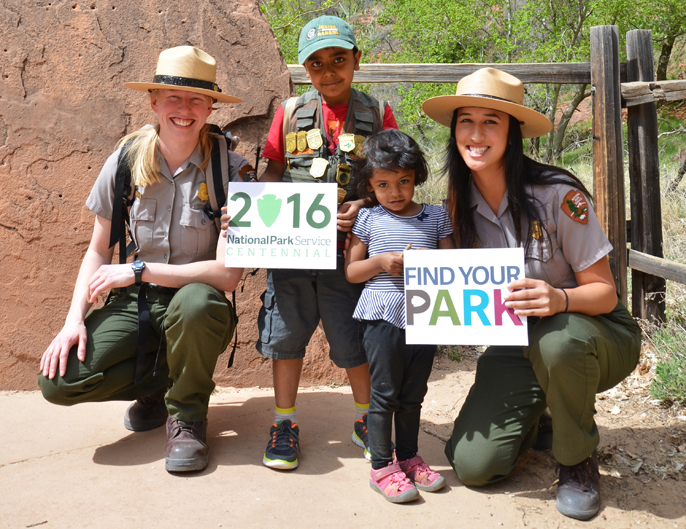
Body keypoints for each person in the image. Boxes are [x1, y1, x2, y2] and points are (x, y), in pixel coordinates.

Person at [421, 68, 641, 520]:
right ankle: (540, 410)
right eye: (466, 121)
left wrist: (559, 299)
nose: (476, 134)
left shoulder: (557, 196)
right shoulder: (458, 202)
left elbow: (604, 294)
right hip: (518, 339)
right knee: (473, 465)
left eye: (491, 122)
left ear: (513, 133)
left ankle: (577, 461)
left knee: (557, 341)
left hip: (593, 332)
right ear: (454, 130)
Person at [38, 46, 251, 473]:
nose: (184, 109)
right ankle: (160, 387)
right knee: (58, 382)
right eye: (173, 97)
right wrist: (72, 321)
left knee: (195, 303)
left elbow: (228, 276)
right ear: (154, 102)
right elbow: (98, 249)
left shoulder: (232, 173)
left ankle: (187, 418)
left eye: (196, 99)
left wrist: (137, 269)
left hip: (196, 308)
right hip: (135, 304)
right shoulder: (124, 163)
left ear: (211, 106)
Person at [238, 15, 399, 471]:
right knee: (285, 336)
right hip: (292, 251)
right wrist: (251, 210)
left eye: (338, 60)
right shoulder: (289, 112)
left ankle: (366, 419)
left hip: (348, 255)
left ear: (356, 61)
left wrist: (365, 202)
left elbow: (391, 179)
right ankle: (284, 423)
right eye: (317, 63)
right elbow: (271, 171)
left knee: (353, 338)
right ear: (304, 70)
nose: (329, 71)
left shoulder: (378, 112)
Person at [345, 129, 453, 502]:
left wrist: (430, 263)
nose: (395, 192)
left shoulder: (436, 218)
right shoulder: (369, 220)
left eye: (404, 181)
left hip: (425, 315)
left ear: (416, 177)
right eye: (383, 184)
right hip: (382, 317)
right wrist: (379, 262)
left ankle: (408, 456)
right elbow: (352, 272)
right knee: (385, 393)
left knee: (413, 393)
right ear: (370, 186)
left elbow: (453, 266)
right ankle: (380, 466)